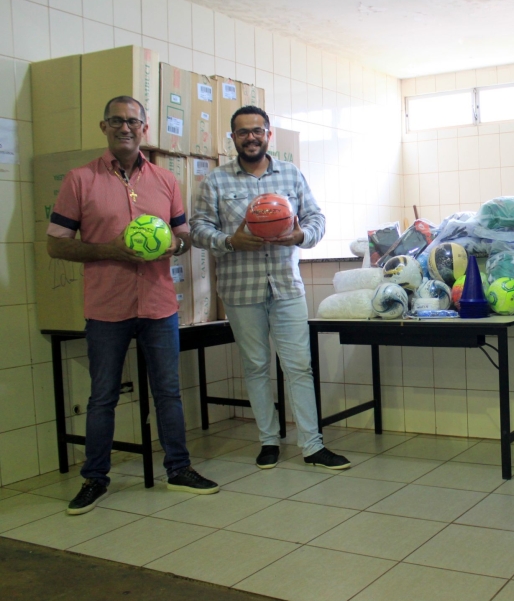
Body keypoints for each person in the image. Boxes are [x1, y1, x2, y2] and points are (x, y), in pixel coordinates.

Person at [47, 96, 219, 516]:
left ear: (144, 128)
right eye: (116, 121)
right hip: (106, 307)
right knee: (102, 396)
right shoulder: (80, 180)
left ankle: (179, 469)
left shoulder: (165, 180)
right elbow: (56, 245)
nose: (125, 128)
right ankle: (95, 478)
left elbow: (184, 237)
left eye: (133, 122)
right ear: (104, 127)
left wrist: (173, 244)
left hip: (159, 305)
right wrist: (110, 249)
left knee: (168, 392)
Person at [190, 106, 350, 471]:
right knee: (256, 366)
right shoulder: (216, 181)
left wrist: (301, 235)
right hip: (239, 289)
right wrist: (229, 241)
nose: (251, 137)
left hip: (286, 287)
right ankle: (268, 441)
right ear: (233, 138)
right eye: (242, 132)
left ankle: (312, 445)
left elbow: (316, 218)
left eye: (257, 131)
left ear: (268, 135)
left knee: (299, 366)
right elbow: (198, 229)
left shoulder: (291, 174)